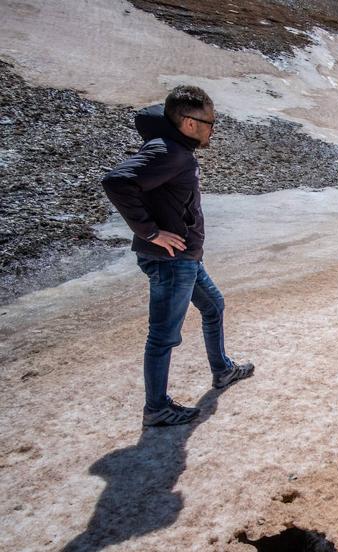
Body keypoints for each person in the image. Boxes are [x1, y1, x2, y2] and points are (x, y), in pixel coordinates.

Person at [102, 85, 254, 427]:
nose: (213, 127)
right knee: (162, 335)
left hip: (186, 258)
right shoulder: (169, 151)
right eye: (210, 121)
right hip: (171, 262)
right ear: (188, 123)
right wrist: (151, 232)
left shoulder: (176, 148)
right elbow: (116, 181)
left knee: (213, 306)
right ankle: (156, 408)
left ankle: (222, 370)